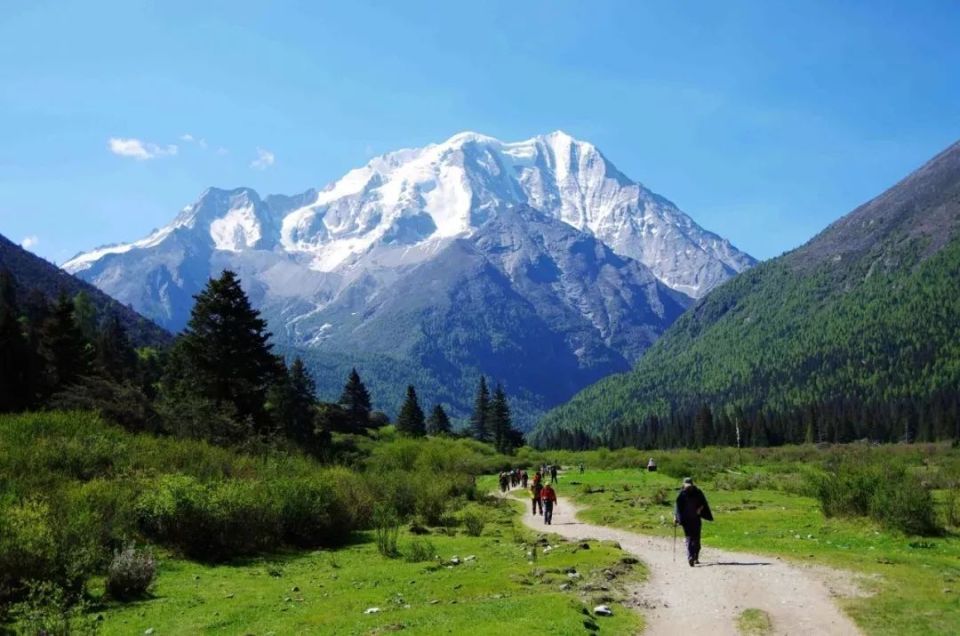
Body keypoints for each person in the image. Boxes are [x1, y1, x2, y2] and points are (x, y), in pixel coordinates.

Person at [674, 477, 713, 567]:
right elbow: (677, 507)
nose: (688, 487)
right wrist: (675, 516)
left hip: (696, 518)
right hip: (686, 520)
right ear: (683, 484)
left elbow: (704, 503)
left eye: (689, 486)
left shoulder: (698, 493)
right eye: (687, 486)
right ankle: (690, 557)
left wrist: (700, 509)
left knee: (696, 539)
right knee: (689, 538)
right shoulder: (681, 494)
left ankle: (696, 556)